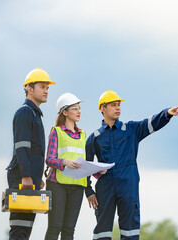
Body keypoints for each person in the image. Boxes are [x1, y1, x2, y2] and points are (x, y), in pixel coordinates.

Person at [85, 90, 178, 240]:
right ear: (102, 109)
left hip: (128, 185)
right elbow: (86, 166)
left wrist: (167, 113)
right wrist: (89, 191)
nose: (118, 108)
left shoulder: (131, 129)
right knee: (102, 231)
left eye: (119, 105)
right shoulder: (94, 138)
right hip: (105, 187)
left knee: (130, 229)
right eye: (113, 105)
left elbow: (150, 123)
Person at [44, 93, 106, 240]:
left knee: (69, 230)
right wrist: (64, 162)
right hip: (57, 184)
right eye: (74, 108)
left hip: (77, 186)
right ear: (65, 112)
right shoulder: (56, 132)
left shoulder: (83, 135)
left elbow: (84, 163)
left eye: (79, 108)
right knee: (55, 227)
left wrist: (97, 171)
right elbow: (49, 159)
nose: (79, 111)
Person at [5, 68, 55, 239]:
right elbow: (22, 147)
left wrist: (35, 177)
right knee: (19, 229)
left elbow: (34, 151)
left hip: (28, 178)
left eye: (47, 88)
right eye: (42, 87)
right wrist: (27, 176)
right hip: (21, 177)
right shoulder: (25, 112)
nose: (46, 91)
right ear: (29, 88)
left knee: (25, 229)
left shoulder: (34, 114)